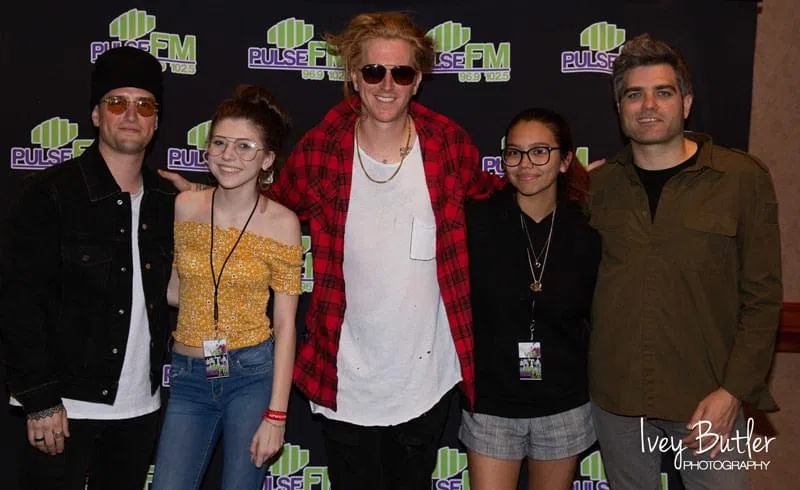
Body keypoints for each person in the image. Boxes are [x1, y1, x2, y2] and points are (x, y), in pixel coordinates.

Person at [158, 11, 505, 489]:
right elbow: (267, 203)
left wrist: (562, 184)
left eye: (401, 73)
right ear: (354, 78)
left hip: (426, 376)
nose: (387, 85)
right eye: (374, 71)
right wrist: (206, 196)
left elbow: (494, 197)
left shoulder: (447, 143)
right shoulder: (324, 146)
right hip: (342, 374)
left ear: (418, 80)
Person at [588, 33, 782, 490]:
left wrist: (733, 392)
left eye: (663, 92)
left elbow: (762, 298)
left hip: (708, 401)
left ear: (687, 103)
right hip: (617, 403)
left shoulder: (741, 179)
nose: (648, 105)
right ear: (619, 109)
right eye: (634, 94)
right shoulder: (596, 187)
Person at [0, 46, 175, 489]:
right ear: (96, 115)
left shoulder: (168, 201)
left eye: (144, 105)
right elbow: (18, 303)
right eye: (117, 103)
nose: (131, 115)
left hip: (139, 409)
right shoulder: (49, 193)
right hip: (63, 409)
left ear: (156, 121)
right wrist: (39, 398)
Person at [150, 85, 302, 490]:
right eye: (219, 143)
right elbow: (176, 291)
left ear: (267, 159)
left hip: (250, 376)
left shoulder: (283, 224)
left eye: (244, 146)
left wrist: (277, 415)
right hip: (188, 376)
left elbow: (285, 324)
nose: (228, 155)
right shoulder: (186, 207)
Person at [461, 108, 599, 490]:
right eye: (514, 153)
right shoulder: (476, 222)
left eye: (540, 152)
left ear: (565, 160)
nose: (525, 164)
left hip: (563, 404)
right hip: (491, 403)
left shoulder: (588, 229)